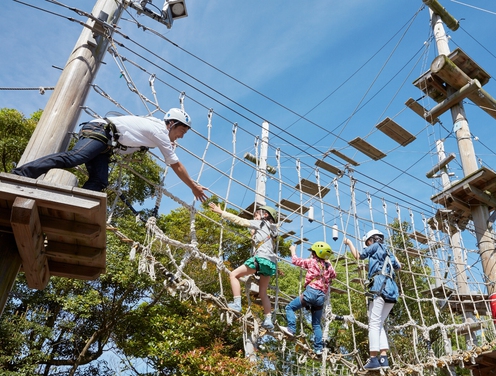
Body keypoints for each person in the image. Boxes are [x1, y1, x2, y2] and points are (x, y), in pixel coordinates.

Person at [11, 108, 208, 201]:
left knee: (99, 180)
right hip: (99, 131)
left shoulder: (156, 136)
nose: (182, 136)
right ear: (173, 124)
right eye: (183, 131)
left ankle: (79, 203)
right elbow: (176, 165)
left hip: (106, 145)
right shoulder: (159, 131)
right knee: (75, 158)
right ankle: (20, 174)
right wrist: (193, 187)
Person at [209, 202, 278, 330]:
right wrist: (253, 234)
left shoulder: (260, 223)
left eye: (257, 215)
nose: (255, 217)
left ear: (265, 215)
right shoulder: (273, 230)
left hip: (260, 259)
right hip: (270, 263)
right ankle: (268, 319)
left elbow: (240, 221)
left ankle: (237, 303)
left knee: (233, 274)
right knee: (263, 292)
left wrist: (221, 213)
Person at [345, 229, 401, 371]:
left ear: (372, 240)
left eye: (367, 243)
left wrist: (349, 243)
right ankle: (383, 358)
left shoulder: (375, 246)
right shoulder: (388, 251)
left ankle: (373, 358)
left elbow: (359, 255)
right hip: (392, 291)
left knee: (373, 323)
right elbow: (398, 266)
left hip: (379, 287)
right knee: (379, 323)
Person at [280, 241, 337, 355]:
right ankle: (318, 348)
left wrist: (292, 251)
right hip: (321, 297)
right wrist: (328, 262)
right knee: (316, 324)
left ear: (315, 254)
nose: (311, 254)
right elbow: (334, 275)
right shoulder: (328, 266)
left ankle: (291, 329)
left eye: (313, 252)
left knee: (290, 308)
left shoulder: (312, 262)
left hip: (311, 292)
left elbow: (296, 261)